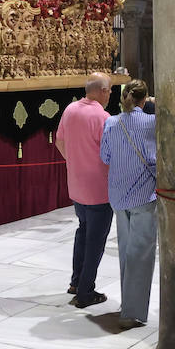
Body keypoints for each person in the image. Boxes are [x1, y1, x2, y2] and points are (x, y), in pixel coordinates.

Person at [99, 79, 157, 329]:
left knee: (125, 250)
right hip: (144, 194)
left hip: (119, 195)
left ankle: (127, 303)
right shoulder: (152, 122)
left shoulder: (111, 123)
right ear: (144, 100)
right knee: (141, 253)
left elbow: (105, 156)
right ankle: (131, 312)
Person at [56, 73, 112, 309]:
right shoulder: (103, 116)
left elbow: (59, 141)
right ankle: (86, 292)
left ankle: (76, 281)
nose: (109, 94)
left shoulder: (70, 109)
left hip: (77, 185)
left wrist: (75, 162)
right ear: (101, 91)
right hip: (98, 188)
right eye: (109, 90)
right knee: (95, 241)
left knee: (83, 231)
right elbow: (110, 153)